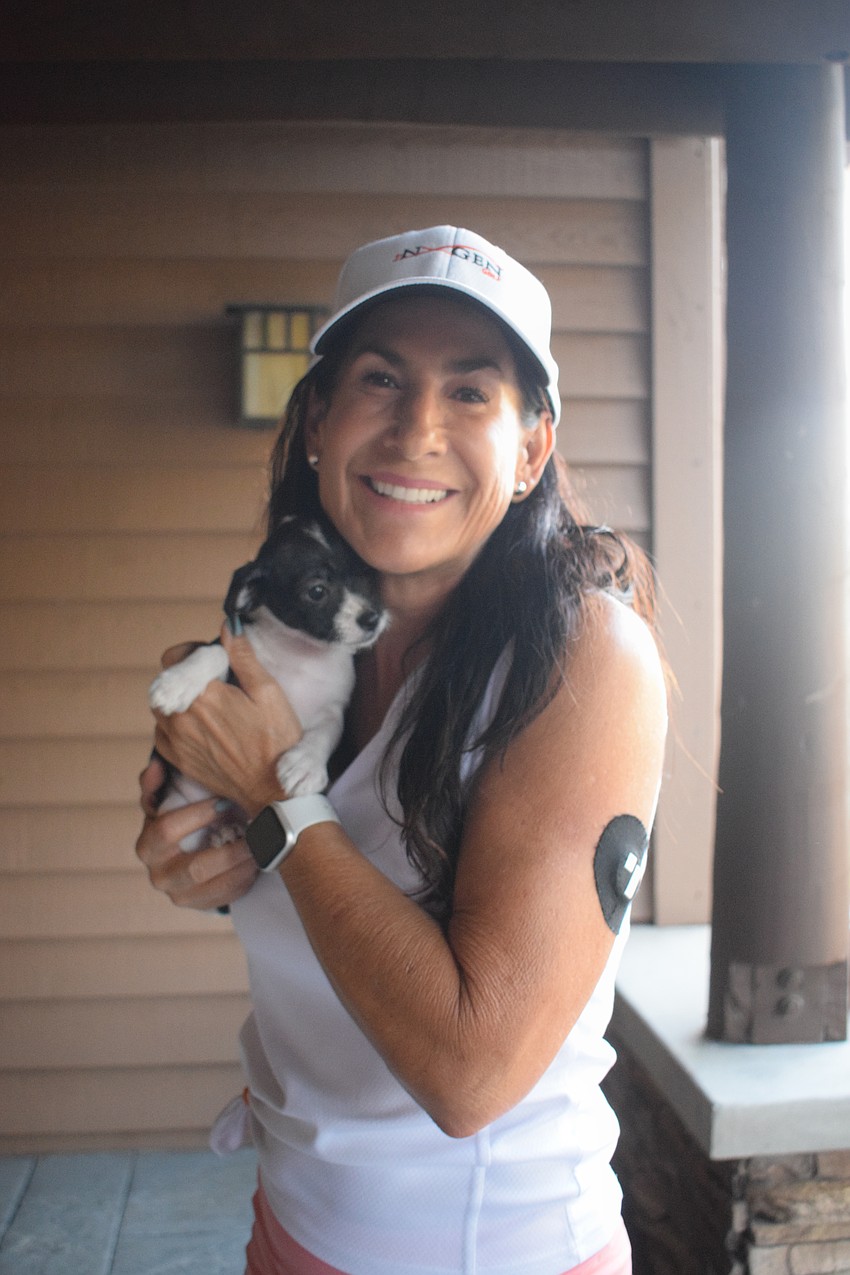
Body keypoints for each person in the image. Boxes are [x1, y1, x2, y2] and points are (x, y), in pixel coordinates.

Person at [136, 226, 668, 1275]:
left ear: (530, 452)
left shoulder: (584, 657)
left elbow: (471, 1075)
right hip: (289, 1217)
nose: (416, 429)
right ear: (319, 423)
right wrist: (200, 863)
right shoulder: (299, 635)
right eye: (380, 380)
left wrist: (275, 799)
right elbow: (284, 878)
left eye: (470, 391)